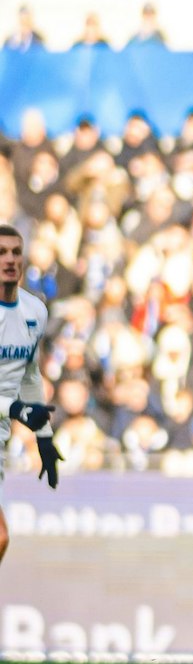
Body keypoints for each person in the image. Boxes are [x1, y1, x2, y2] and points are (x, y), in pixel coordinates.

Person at [0, 224, 58, 570]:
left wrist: (45, 440)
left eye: (15, 252)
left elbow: (31, 376)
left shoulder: (33, 313)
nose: (9, 260)